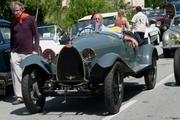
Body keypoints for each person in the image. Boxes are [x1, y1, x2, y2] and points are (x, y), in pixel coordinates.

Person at [10, 1, 39, 105]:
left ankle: (32, 92)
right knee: (15, 73)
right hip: (16, 52)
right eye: (14, 11)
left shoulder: (30, 19)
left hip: (29, 52)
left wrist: (35, 49)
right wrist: (11, 51)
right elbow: (12, 39)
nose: (15, 13)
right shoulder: (13, 22)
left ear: (22, 9)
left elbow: (36, 35)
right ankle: (20, 96)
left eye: (17, 10)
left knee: (29, 74)